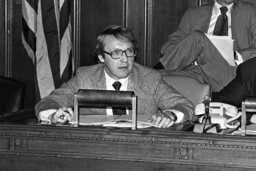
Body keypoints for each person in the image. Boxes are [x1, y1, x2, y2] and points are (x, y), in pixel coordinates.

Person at [35, 25, 194, 128]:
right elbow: (48, 102)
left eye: (129, 52)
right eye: (116, 53)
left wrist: (170, 115)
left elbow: (185, 105)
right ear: (101, 57)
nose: (125, 59)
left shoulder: (150, 78)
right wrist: (53, 115)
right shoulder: (85, 77)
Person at [154, 0, 256, 92]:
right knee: (155, 77)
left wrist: (235, 55)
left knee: (198, 38)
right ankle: (152, 72)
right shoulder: (194, 14)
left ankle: (156, 68)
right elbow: (168, 46)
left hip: (230, 72)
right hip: (196, 71)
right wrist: (191, 54)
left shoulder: (250, 11)